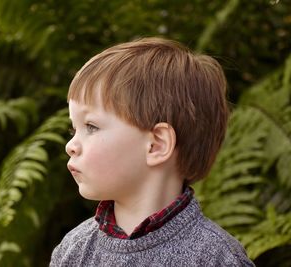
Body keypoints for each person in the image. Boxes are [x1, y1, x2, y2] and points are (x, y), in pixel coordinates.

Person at [49, 37, 255, 266]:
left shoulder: (217, 258)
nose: (71, 145)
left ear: (156, 144)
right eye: (73, 129)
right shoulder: (74, 250)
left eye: (91, 127)